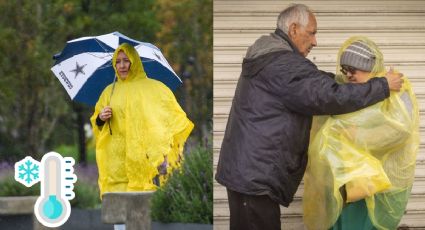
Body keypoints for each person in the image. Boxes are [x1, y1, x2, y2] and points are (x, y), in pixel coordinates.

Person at [214, 4, 404, 230]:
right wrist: (382, 85)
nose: (315, 41)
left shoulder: (273, 58)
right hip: (255, 175)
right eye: (312, 32)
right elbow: (327, 96)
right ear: (293, 29)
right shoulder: (283, 64)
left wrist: (348, 80)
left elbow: (315, 81)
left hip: (250, 172)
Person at [303, 37, 419, 230]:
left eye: (353, 69)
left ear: (369, 66)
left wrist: (358, 135)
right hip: (349, 182)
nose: (348, 75)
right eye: (344, 70)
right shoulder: (348, 90)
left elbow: (401, 129)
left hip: (379, 184)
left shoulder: (398, 89)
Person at [90, 43, 194, 197]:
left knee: (144, 211)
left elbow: (174, 119)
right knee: (118, 212)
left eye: (126, 60)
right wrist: (100, 118)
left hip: (145, 163)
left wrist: (164, 152)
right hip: (116, 165)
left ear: (134, 61)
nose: (122, 65)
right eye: (117, 62)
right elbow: (96, 123)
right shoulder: (109, 92)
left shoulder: (156, 89)